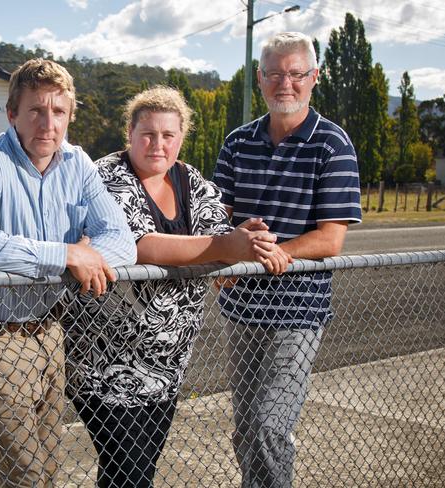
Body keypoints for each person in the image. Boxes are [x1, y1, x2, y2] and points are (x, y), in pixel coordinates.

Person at [63, 86, 290, 488]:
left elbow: (218, 230)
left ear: (181, 137)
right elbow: (137, 245)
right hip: (106, 366)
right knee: (129, 474)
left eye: (168, 135)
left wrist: (247, 243)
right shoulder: (106, 176)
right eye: (148, 133)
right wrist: (224, 248)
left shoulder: (189, 178)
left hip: (168, 364)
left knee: (134, 474)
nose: (158, 144)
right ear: (129, 134)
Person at [0, 58, 136, 488]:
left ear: (70, 115)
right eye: (36, 110)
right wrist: (69, 254)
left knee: (46, 472)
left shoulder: (78, 164)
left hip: (51, 335)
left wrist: (86, 254)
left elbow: (122, 240)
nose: (47, 123)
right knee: (26, 474)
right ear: (12, 113)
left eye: (58, 112)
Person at [212, 32, 362, 488]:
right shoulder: (238, 142)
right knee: (246, 430)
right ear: (259, 79)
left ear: (313, 77)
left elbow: (331, 238)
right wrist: (226, 251)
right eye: (275, 73)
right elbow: (219, 218)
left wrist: (280, 252)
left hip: (298, 312)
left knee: (270, 427)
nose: (285, 83)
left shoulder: (333, 145)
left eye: (296, 73)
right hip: (242, 309)